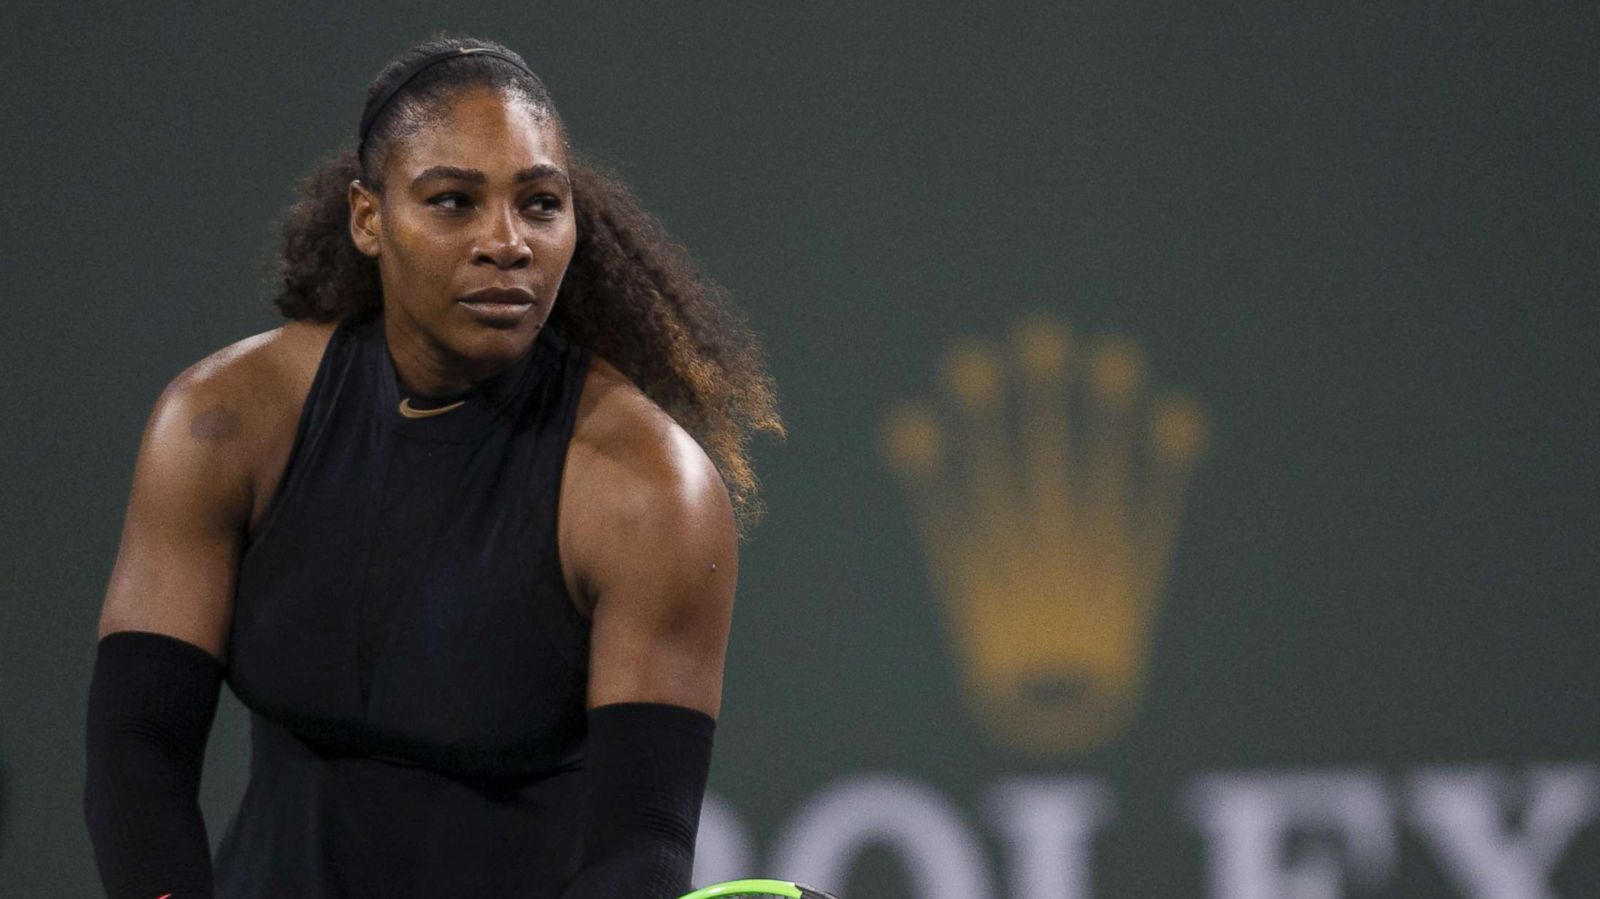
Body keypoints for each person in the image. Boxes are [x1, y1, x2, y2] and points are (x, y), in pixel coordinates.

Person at [83, 35, 783, 899]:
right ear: (369, 218)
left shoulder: (650, 492)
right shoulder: (221, 423)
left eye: (540, 204)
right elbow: (137, 746)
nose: (506, 241)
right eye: (453, 201)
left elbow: (641, 841)